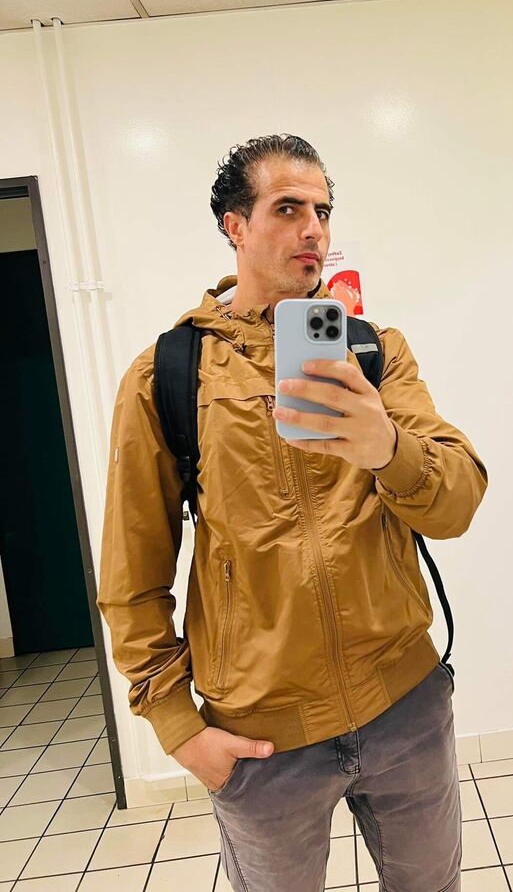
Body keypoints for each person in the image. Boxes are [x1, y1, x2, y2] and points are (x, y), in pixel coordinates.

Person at [97, 133, 488, 891]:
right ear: (234, 226)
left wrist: (387, 446)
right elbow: (130, 574)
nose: (314, 229)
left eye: (323, 210)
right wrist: (179, 728)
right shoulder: (167, 374)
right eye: (287, 209)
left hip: (404, 706)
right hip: (260, 740)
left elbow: (458, 501)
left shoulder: (374, 351)